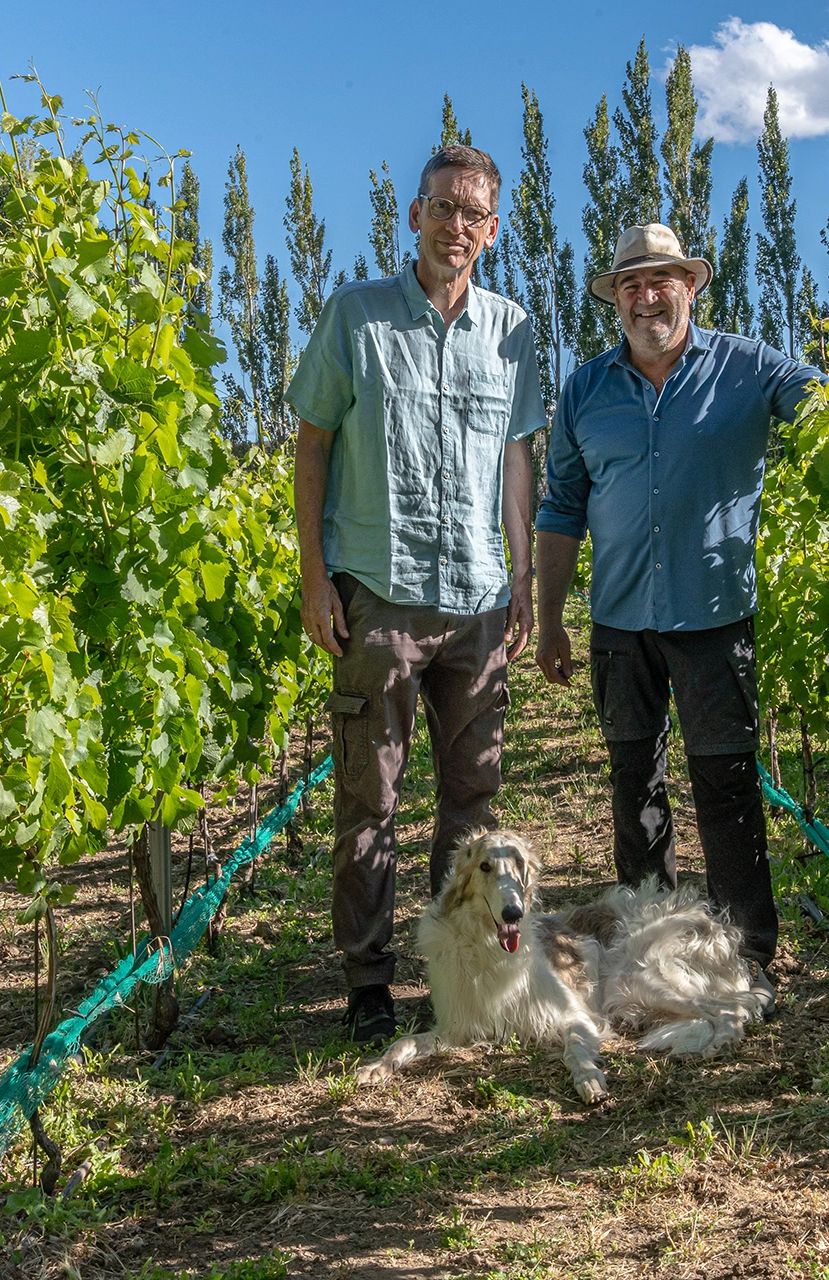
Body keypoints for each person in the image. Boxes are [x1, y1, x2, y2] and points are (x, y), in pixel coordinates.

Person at [533, 223, 829, 994]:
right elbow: (561, 506)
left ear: (690, 287)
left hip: (715, 615)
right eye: (630, 284)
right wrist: (552, 616)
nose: (645, 297)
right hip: (619, 621)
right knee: (634, 783)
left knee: (725, 782)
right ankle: (646, 944)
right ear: (615, 299)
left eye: (660, 280)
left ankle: (747, 953)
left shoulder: (746, 367)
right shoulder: (585, 390)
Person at [288, 144, 546, 1046]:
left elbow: (516, 464)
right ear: (414, 216)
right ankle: (368, 983)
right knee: (370, 799)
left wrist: (523, 583)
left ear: (492, 230)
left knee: (474, 801)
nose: (455, 226)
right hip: (380, 593)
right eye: (442, 207)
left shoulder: (512, 331)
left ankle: (457, 965)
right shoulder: (356, 316)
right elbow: (312, 443)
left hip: (478, 597)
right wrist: (314, 576)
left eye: (473, 214)